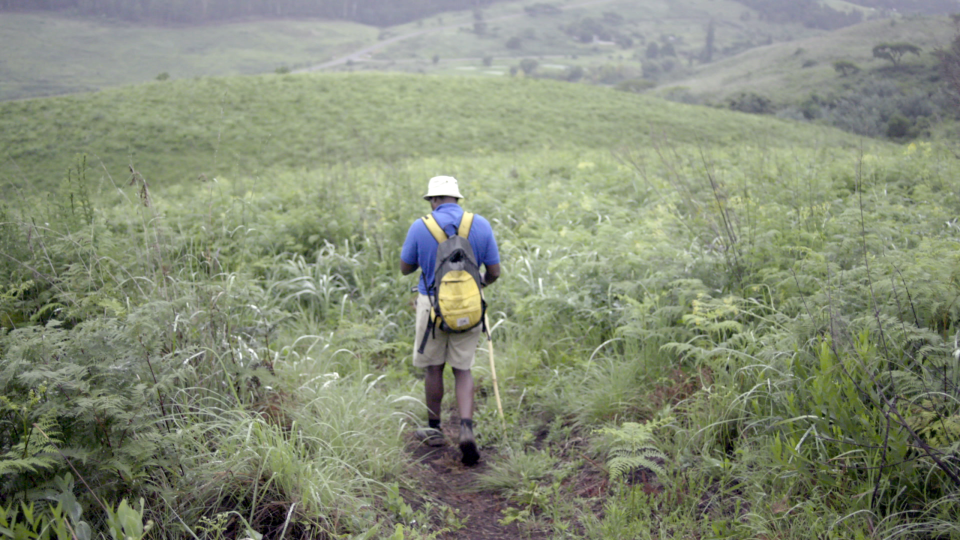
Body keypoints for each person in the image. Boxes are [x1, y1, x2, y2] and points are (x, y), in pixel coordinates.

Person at [400, 175, 501, 466]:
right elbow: (494, 271)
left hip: (431, 307)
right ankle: (466, 428)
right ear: (457, 198)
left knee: (434, 367)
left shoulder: (421, 226)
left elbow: (405, 267)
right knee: (463, 369)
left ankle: (434, 430)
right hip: (470, 308)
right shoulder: (479, 224)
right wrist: (479, 284)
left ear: (433, 200)